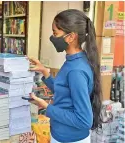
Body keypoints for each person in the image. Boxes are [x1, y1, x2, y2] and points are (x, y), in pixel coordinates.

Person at [28, 9, 102, 143]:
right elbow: (65, 92)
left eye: (55, 33)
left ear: (71, 37)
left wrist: (47, 107)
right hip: (62, 135)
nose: (52, 37)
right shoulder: (73, 60)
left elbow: (84, 120)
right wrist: (45, 72)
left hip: (70, 139)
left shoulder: (76, 70)